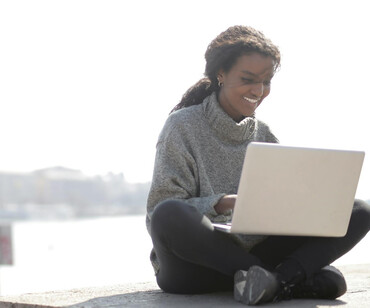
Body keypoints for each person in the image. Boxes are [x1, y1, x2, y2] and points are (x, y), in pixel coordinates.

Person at [145, 25, 370, 305]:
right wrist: (224, 203)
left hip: (256, 251)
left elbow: (280, 208)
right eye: (248, 79)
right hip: (195, 266)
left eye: (266, 81)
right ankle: (284, 278)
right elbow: (159, 209)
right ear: (221, 74)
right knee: (170, 213)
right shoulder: (181, 126)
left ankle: (271, 280)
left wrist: (304, 207)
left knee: (359, 209)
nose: (259, 90)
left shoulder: (264, 134)